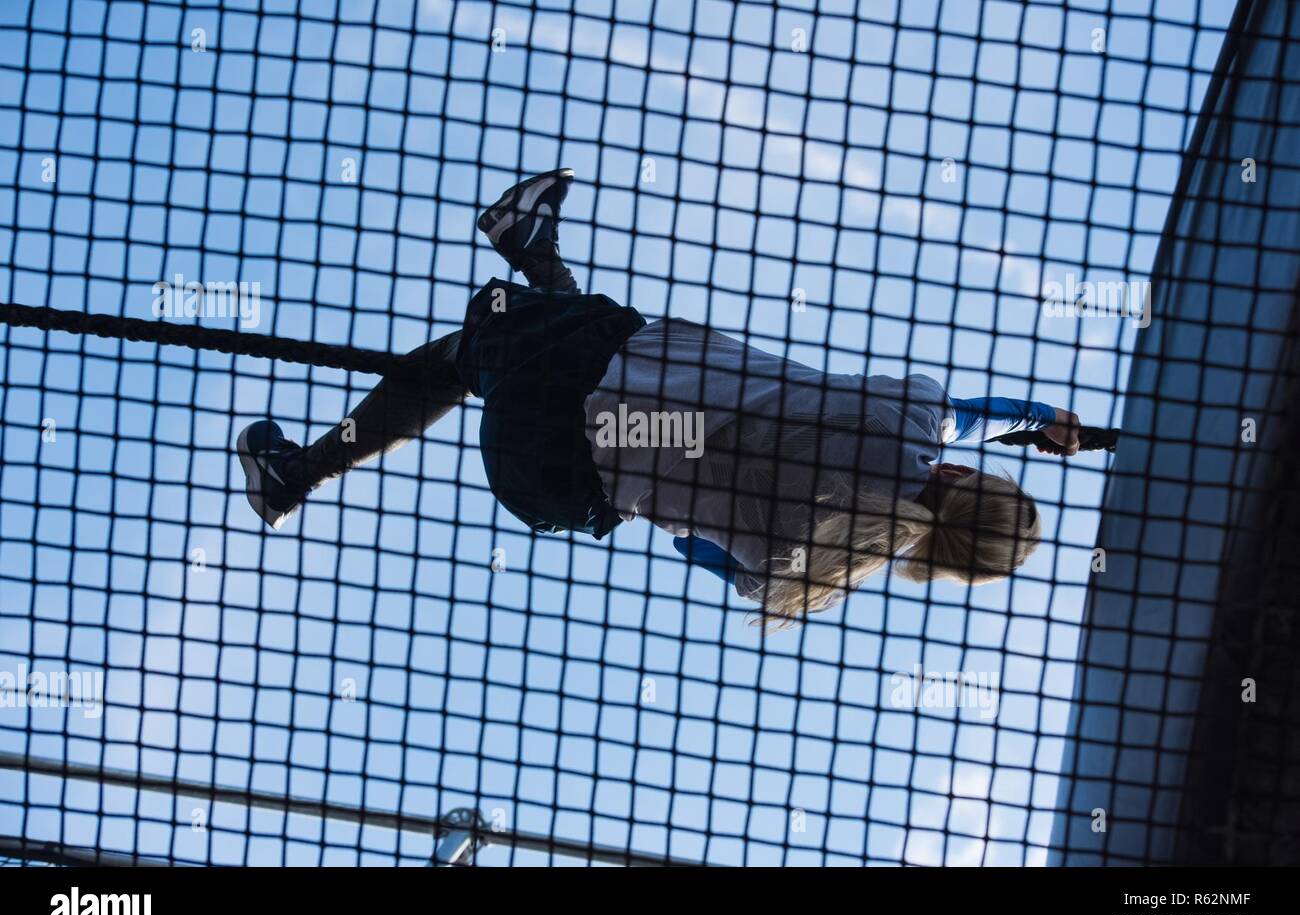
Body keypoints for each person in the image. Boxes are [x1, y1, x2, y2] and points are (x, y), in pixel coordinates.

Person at [236, 169, 1081, 630]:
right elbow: (689, 544)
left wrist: (1040, 420)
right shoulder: (815, 575)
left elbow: (973, 411)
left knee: (475, 353)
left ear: (972, 478)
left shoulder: (914, 420)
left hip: (590, 376)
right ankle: (526, 243)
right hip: (558, 486)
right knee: (551, 347)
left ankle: (298, 475)